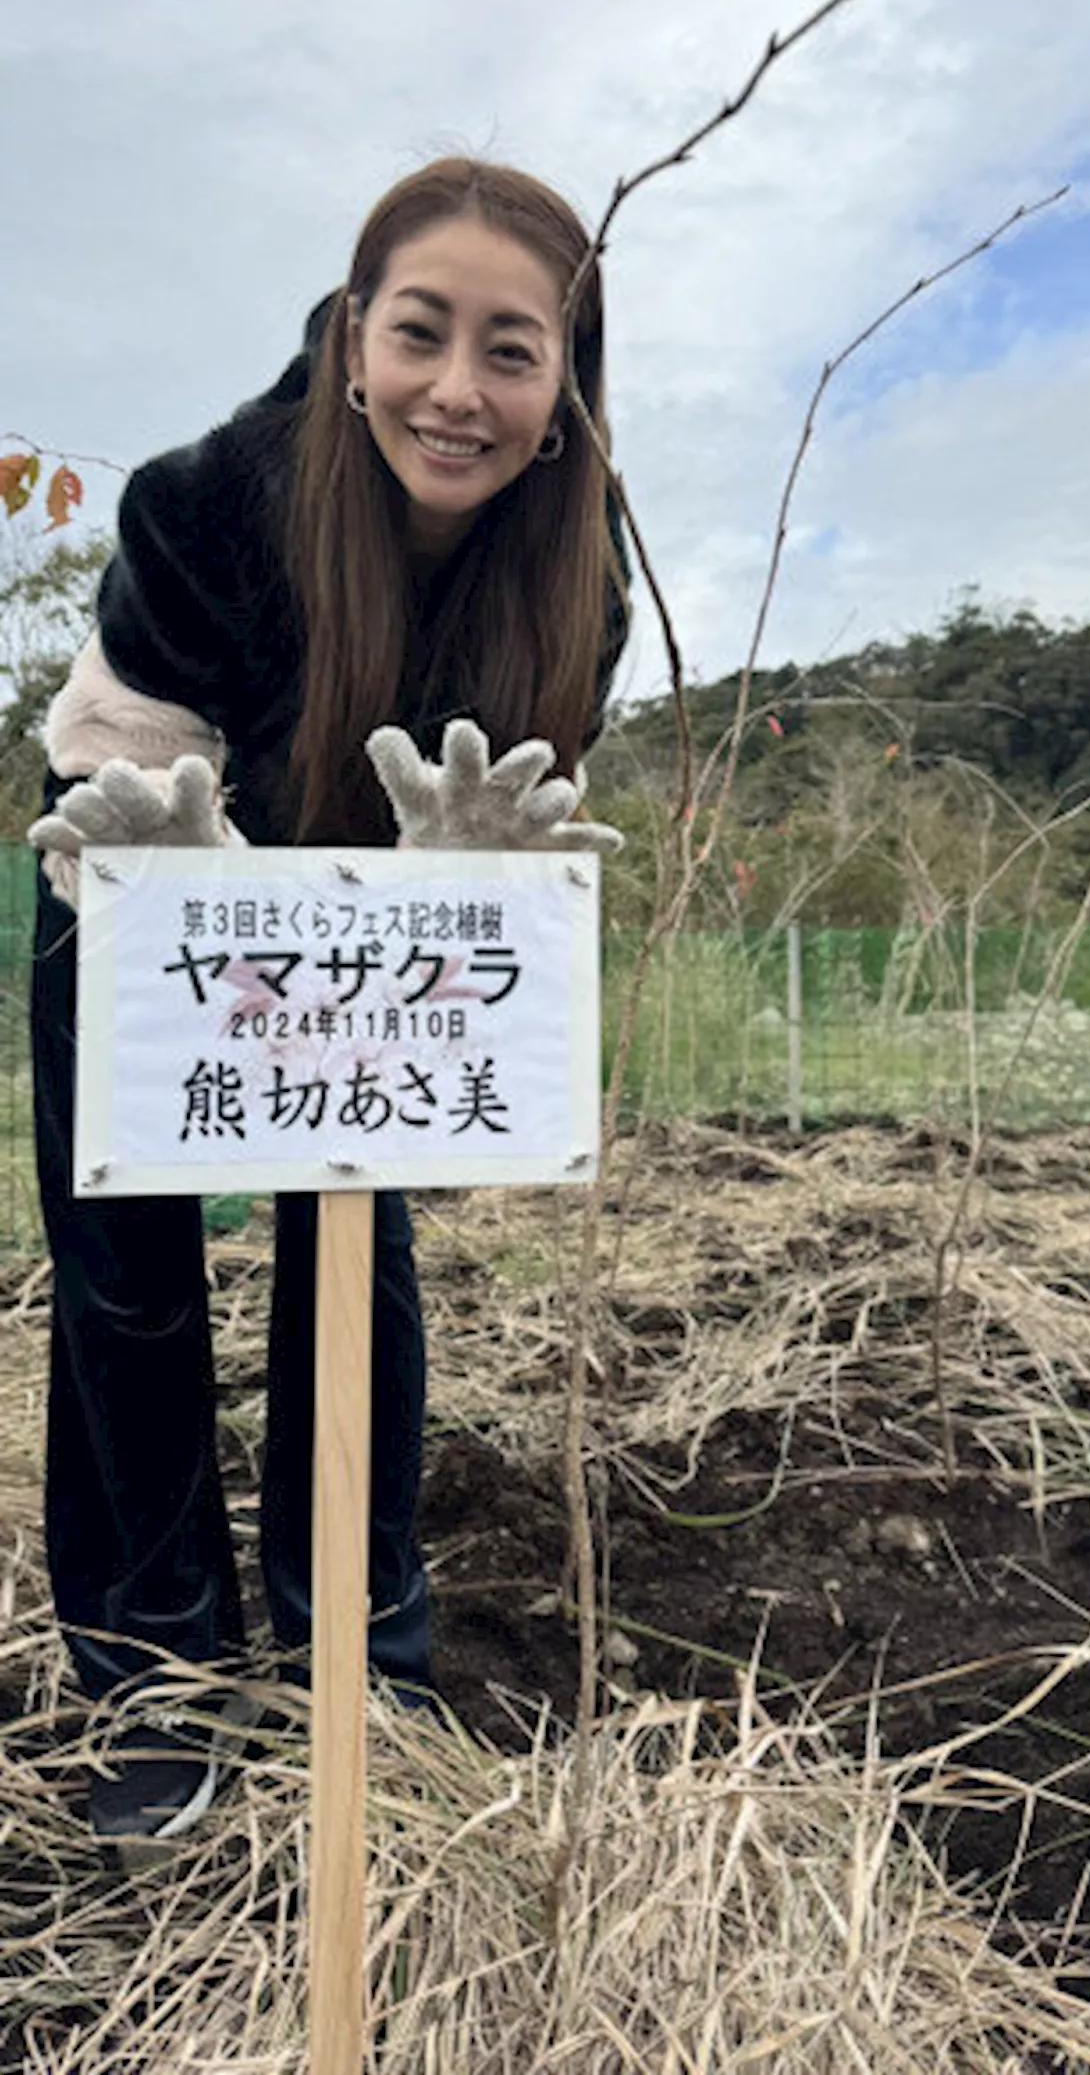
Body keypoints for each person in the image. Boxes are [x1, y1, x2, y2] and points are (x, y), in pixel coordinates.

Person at [27, 157, 630, 1840]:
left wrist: (477, 883)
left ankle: (360, 1655)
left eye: (513, 352)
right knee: (129, 1265)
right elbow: (137, 763)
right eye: (421, 331)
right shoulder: (203, 501)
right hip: (144, 860)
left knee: (353, 1241)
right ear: (356, 333)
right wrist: (197, 878)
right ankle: (152, 1675)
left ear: (567, 382)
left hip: (378, 922)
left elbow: (525, 827)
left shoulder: (580, 581)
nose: (459, 390)